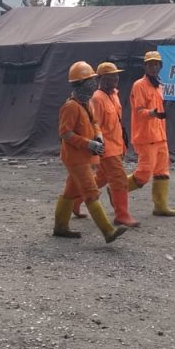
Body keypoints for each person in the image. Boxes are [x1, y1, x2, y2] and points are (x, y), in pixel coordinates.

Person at [53, 61, 127, 243]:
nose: (94, 83)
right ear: (81, 83)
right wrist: (88, 143)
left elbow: (94, 123)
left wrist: (99, 136)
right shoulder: (71, 107)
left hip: (84, 156)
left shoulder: (86, 103)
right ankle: (108, 231)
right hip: (75, 158)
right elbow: (65, 133)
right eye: (90, 80)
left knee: (70, 192)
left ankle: (60, 227)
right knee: (91, 192)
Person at [128, 50, 175, 216]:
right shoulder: (139, 85)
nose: (153, 67)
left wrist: (161, 114)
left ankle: (160, 206)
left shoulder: (159, 85)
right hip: (146, 137)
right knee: (143, 174)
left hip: (160, 136)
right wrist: (152, 113)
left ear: (160, 66)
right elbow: (139, 110)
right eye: (150, 64)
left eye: (156, 64)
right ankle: (117, 189)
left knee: (162, 172)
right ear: (145, 66)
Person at [90, 61, 140, 228]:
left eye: (116, 75)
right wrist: (97, 149)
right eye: (111, 77)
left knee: (101, 178)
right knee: (119, 179)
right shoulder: (97, 98)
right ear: (101, 79)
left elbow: (117, 122)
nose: (116, 79)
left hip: (117, 145)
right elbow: (94, 125)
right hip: (107, 148)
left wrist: (122, 145)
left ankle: (75, 201)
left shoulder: (114, 94)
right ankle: (122, 215)